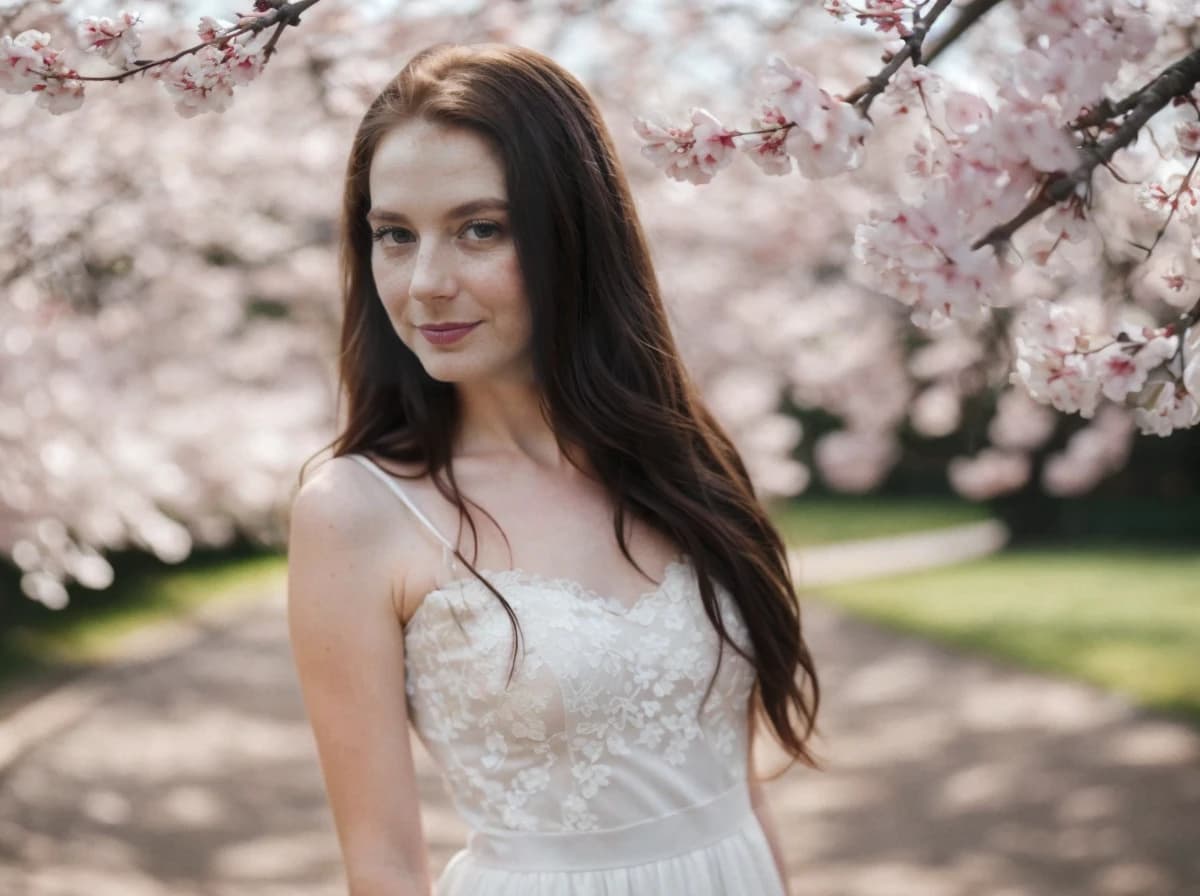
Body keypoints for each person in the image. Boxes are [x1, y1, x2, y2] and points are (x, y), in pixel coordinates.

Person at [286, 42, 821, 896]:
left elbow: (739, 790)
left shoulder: (678, 456)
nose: (426, 282)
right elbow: (382, 867)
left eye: (480, 229)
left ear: (574, 232)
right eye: (395, 234)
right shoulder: (356, 511)